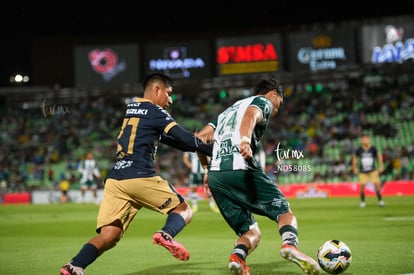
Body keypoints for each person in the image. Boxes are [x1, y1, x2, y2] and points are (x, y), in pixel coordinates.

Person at [60, 72, 213, 275]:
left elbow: (180, 143)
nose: (170, 100)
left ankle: (75, 266)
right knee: (183, 210)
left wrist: (195, 144)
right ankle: (166, 234)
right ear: (156, 89)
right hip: (139, 175)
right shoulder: (155, 111)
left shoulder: (132, 109)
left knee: (110, 235)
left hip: (116, 180)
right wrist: (218, 149)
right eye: (169, 94)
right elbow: (185, 139)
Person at [195, 77, 320, 275]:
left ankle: (238, 257)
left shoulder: (226, 112)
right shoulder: (263, 102)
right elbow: (251, 116)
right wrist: (245, 140)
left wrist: (205, 169)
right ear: (273, 93)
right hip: (241, 168)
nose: (277, 109)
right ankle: (290, 245)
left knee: (249, 231)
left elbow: (199, 139)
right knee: (284, 212)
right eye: (279, 102)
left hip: (216, 176)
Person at [352, 134, 384, 208]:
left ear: (369, 140)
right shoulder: (359, 149)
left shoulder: (373, 148)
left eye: (366, 139)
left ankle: (380, 201)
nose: (365, 140)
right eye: (364, 139)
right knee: (362, 186)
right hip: (363, 171)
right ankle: (362, 202)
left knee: (377, 185)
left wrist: (381, 166)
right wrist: (354, 167)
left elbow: (379, 157)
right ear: (361, 141)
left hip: (373, 170)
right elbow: (355, 158)